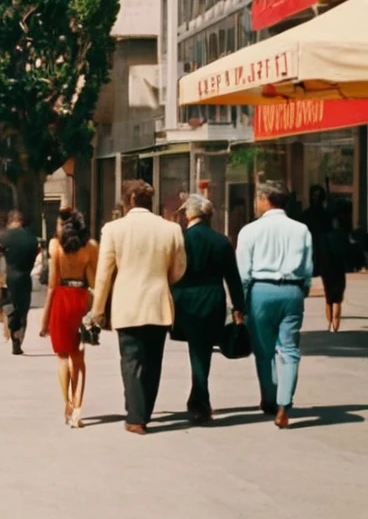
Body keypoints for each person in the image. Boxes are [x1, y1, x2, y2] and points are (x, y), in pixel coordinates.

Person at [90, 180, 186, 435]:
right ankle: (143, 412)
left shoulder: (113, 229)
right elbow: (179, 269)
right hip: (158, 302)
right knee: (154, 361)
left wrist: (97, 310)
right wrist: (162, 280)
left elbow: (103, 275)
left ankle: (135, 415)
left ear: (128, 200)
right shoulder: (171, 229)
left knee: (131, 359)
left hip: (127, 303)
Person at [237, 180, 314, 429]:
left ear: (265, 199)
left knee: (264, 349)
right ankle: (284, 403)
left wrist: (241, 301)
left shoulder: (250, 230)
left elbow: (243, 271)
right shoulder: (301, 229)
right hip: (292, 290)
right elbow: (308, 267)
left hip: (261, 290)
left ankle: (269, 399)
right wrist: (302, 291)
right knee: (289, 349)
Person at [171, 195, 245, 424]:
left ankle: (200, 402)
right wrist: (238, 308)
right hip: (213, 299)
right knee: (201, 351)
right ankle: (198, 398)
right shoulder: (221, 241)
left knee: (197, 350)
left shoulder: (181, 240)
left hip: (184, 301)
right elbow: (233, 278)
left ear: (189, 215)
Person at [39, 208, 97, 428]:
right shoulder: (89, 247)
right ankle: (78, 409)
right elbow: (92, 281)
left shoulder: (55, 247)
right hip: (81, 299)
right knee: (79, 359)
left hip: (62, 300)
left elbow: (52, 285)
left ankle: (67, 404)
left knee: (63, 357)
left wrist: (44, 319)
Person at [0, 211, 39, 354]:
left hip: (10, 275)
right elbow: (35, 255)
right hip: (25, 276)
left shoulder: (4, 236)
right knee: (23, 309)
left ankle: (11, 326)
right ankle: (19, 340)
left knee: (10, 304)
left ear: (10, 221)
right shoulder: (32, 238)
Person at [321, 206, 352, 332]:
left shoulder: (324, 237)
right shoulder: (343, 235)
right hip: (339, 268)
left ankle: (329, 324)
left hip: (327, 268)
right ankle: (335, 326)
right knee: (338, 298)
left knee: (328, 298)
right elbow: (348, 252)